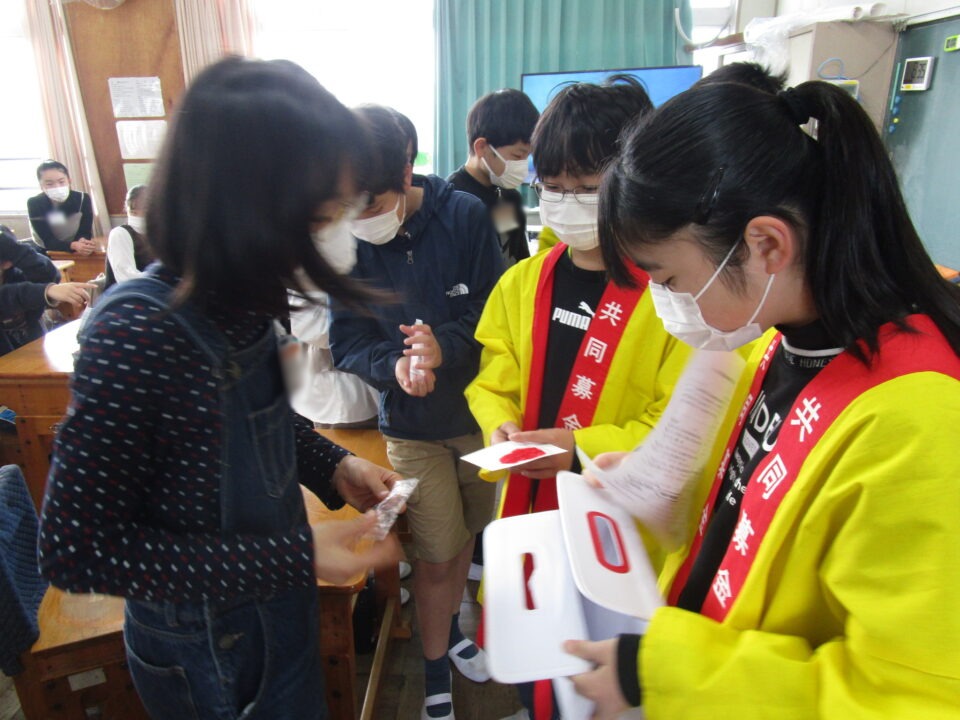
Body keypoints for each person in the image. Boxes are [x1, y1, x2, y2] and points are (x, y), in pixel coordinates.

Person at [563, 76, 960, 718]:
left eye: (670, 279)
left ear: (767, 244)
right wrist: (659, 486)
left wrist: (663, 672)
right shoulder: (780, 342)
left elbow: (912, 696)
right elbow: (763, 509)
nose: (666, 303)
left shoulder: (922, 419)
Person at [38, 57, 402, 720]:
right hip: (209, 654)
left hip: (275, 615)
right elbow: (76, 550)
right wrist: (293, 555)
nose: (337, 237)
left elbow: (261, 420)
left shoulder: (249, 298)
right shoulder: (137, 333)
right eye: (322, 217)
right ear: (250, 209)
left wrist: (335, 464)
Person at [464, 79, 691, 720]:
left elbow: (683, 424)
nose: (567, 203)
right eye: (553, 187)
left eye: (587, 187)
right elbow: (494, 375)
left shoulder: (674, 294)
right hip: (530, 512)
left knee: (601, 675)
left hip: (620, 530)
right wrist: (502, 427)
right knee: (535, 648)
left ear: (632, 182)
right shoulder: (524, 282)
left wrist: (577, 449)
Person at [329, 104, 503, 720]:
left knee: (465, 540)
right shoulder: (346, 243)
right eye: (349, 209)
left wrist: (443, 346)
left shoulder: (464, 215)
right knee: (434, 555)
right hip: (410, 429)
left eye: (372, 206)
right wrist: (396, 365)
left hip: (478, 420)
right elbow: (347, 342)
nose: (361, 221)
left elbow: (495, 312)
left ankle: (451, 633)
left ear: (406, 172)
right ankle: (434, 676)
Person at [448, 88, 539, 268]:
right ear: (482, 147)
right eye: (517, 155)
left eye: (527, 156)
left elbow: (516, 259)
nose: (522, 165)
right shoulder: (452, 200)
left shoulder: (507, 197)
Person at [1, 224, 92, 355]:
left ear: (8, 263)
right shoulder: (14, 289)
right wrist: (46, 291)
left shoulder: (15, 275)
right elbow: (9, 297)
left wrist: (17, 251)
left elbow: (49, 274)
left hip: (31, 350)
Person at [27, 160, 96, 254]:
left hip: (77, 249)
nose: (57, 187)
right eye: (49, 184)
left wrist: (82, 241)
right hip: (46, 251)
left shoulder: (83, 199)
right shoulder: (34, 203)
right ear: (41, 186)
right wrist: (73, 245)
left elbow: (85, 231)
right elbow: (47, 239)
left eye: (61, 182)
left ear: (69, 181)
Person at [104, 184, 155, 288]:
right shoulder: (120, 234)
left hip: (153, 291)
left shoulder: (156, 233)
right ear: (132, 209)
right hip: (128, 294)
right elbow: (127, 278)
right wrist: (161, 279)